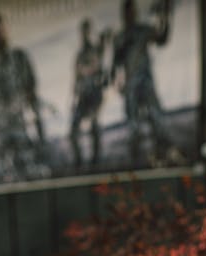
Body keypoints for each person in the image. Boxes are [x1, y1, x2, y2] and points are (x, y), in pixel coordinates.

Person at [0, 12, 46, 182]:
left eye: (1, 29)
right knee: (0, 179)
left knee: (29, 174)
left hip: (19, 127)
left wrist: (39, 124)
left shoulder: (19, 58)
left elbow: (31, 92)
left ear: (6, 30)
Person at [111, 0, 174, 165]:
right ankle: (136, 160)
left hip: (146, 81)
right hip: (131, 85)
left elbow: (162, 38)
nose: (130, 15)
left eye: (132, 11)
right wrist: (118, 83)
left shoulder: (143, 30)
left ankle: (162, 154)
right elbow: (115, 65)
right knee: (133, 124)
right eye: (127, 12)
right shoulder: (120, 37)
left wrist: (165, 16)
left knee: (156, 116)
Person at [69, 18, 109, 170]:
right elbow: (76, 79)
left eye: (87, 31)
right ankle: (79, 162)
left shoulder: (96, 51)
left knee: (95, 127)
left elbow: (103, 73)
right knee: (73, 131)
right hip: (82, 98)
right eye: (83, 31)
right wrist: (73, 99)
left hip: (94, 96)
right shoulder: (79, 55)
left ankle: (96, 162)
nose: (85, 34)